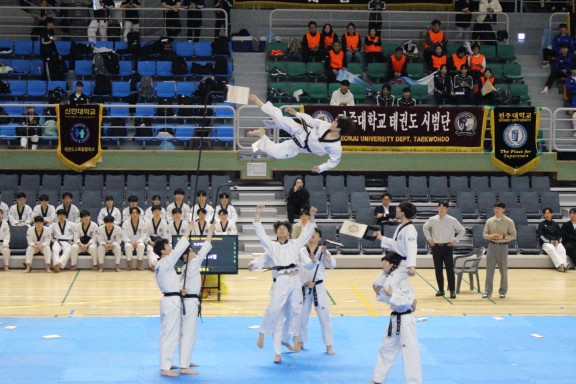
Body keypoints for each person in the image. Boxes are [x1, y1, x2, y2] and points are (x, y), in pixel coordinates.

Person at [248, 204, 318, 359]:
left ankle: (294, 335)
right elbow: (261, 235)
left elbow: (306, 234)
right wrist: (257, 214)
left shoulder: (295, 245)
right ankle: (263, 333)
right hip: (281, 279)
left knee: (296, 310)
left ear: (288, 231)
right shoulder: (272, 246)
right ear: (276, 232)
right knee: (275, 309)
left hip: (295, 279)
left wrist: (312, 217)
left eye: (284, 228)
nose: (282, 230)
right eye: (279, 228)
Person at [153, 216, 210, 377]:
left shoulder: (161, 265)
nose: (171, 247)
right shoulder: (165, 262)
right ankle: (165, 367)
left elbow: (169, 283)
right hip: (170, 301)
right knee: (170, 333)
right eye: (168, 245)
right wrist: (188, 230)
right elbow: (179, 249)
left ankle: (167, 363)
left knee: (168, 332)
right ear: (163, 250)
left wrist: (179, 290)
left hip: (171, 298)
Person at [248, 94, 356, 174]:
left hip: (299, 146)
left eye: (336, 122)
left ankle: (261, 134)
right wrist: (296, 114)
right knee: (279, 119)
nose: (333, 122)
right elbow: (311, 121)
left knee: (275, 153)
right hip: (301, 130)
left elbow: (334, 162)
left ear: (339, 128)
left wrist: (321, 168)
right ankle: (259, 102)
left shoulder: (335, 147)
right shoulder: (325, 125)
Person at [368, 251, 421, 384]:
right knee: (386, 349)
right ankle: (377, 380)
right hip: (394, 319)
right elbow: (386, 298)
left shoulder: (402, 280)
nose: (383, 263)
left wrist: (392, 294)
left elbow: (408, 301)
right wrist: (380, 293)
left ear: (392, 264)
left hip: (406, 320)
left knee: (410, 353)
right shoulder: (388, 278)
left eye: (385, 261)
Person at [177, 223, 215, 374]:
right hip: (190, 302)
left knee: (188, 332)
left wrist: (180, 290)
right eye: (191, 251)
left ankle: (186, 360)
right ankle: (184, 365)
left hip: (189, 301)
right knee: (188, 332)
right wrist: (210, 231)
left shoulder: (185, 268)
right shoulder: (191, 264)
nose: (194, 252)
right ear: (185, 256)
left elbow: (179, 284)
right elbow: (206, 246)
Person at [299, 228, 336, 354]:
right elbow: (297, 269)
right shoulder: (301, 251)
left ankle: (329, 345)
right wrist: (304, 281)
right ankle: (300, 341)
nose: (313, 235)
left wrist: (325, 254)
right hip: (304, 287)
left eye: (315, 234)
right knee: (302, 316)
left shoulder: (322, 250)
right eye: (310, 233)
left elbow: (332, 265)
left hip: (318, 286)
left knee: (324, 317)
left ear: (320, 238)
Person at [422, 201, 466, 299]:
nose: (441, 209)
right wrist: (429, 239)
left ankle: (452, 291)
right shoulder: (433, 219)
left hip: (448, 247)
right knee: (438, 269)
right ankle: (441, 289)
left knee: (449, 269)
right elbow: (425, 227)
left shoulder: (452, 220)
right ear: (438, 208)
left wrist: (455, 240)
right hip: (436, 247)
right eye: (439, 207)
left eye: (443, 208)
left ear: (447, 209)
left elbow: (462, 230)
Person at [374, 201, 418, 279]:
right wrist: (381, 237)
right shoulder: (400, 226)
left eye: (398, 208)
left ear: (402, 213)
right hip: (396, 261)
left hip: (404, 264)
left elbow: (412, 248)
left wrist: (412, 266)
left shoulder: (410, 230)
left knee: (389, 287)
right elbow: (395, 244)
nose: (396, 210)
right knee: (378, 285)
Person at [482, 201, 517, 299]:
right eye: (495, 208)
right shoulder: (489, 221)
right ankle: (487, 291)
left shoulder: (509, 221)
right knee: (489, 270)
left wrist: (504, 236)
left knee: (503, 270)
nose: (496, 210)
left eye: (498, 208)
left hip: (503, 246)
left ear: (503, 209)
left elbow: (514, 235)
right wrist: (491, 236)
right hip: (492, 246)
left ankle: (503, 291)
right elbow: (484, 235)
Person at [538, 207, 568, 272]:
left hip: (555, 242)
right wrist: (549, 241)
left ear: (552, 214)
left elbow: (560, 235)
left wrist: (557, 241)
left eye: (548, 213)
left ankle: (564, 266)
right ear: (543, 215)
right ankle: (561, 265)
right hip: (546, 243)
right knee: (551, 248)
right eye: (545, 213)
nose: (547, 215)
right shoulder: (541, 224)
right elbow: (541, 235)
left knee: (562, 249)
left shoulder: (556, 224)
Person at [146, 205, 171, 271]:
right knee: (150, 249)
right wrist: (150, 242)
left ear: (160, 212)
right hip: (151, 241)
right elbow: (145, 235)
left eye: (158, 211)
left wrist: (157, 242)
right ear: (152, 212)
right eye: (155, 211)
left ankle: (159, 263)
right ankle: (153, 265)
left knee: (163, 250)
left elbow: (165, 235)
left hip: (160, 242)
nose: (157, 213)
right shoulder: (148, 223)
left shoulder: (164, 223)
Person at [123, 207, 147, 271]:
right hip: (129, 242)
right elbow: (124, 235)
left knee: (141, 246)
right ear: (130, 214)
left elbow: (144, 235)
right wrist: (130, 242)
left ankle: (138, 265)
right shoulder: (126, 223)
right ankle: (129, 265)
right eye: (133, 213)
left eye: (136, 213)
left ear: (139, 214)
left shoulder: (143, 224)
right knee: (128, 246)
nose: (135, 215)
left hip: (139, 242)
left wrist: (138, 242)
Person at [566, 66, 576, 138]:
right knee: (574, 116)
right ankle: (575, 131)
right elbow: (569, 88)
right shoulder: (568, 78)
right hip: (572, 94)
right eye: (574, 69)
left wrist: (574, 86)